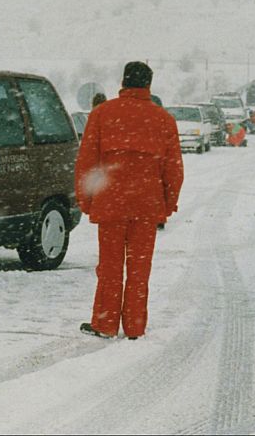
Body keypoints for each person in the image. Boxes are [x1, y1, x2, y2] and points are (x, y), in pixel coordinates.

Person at [75, 61, 184, 340]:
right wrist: (167, 203)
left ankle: (105, 323)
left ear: (123, 82)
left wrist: (86, 200)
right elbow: (173, 169)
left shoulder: (102, 114)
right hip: (146, 205)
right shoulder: (163, 120)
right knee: (140, 268)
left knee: (110, 267)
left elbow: (87, 162)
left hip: (110, 202)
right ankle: (135, 326)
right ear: (149, 84)